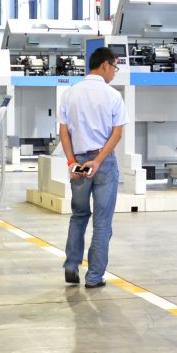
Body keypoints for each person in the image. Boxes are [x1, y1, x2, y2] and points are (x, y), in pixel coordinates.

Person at [58, 46, 127, 289]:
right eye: (115, 67)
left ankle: (71, 265)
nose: (115, 72)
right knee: (102, 222)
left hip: (78, 163)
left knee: (78, 216)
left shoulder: (69, 93)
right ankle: (94, 277)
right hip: (103, 162)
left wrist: (71, 161)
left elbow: (64, 132)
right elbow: (117, 134)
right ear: (105, 65)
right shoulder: (113, 96)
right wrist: (98, 161)